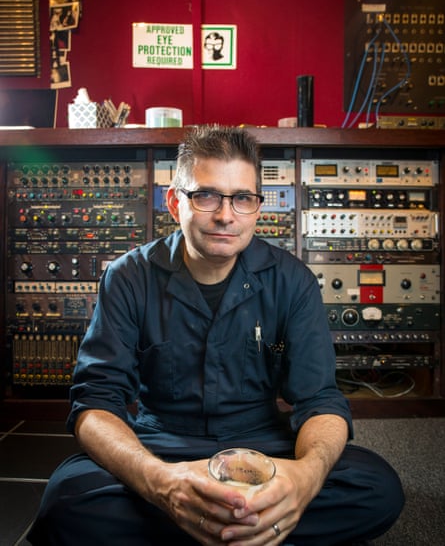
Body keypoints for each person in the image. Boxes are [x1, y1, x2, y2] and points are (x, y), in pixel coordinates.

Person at [28, 125, 404, 546]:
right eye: (206, 195)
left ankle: (207, 526)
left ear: (258, 207)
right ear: (175, 202)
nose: (226, 215)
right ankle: (254, 527)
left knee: (377, 489)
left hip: (264, 447)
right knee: (65, 502)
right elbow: (95, 404)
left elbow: (320, 399)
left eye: (242, 198)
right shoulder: (128, 277)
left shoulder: (293, 280)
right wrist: (161, 484)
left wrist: (303, 480)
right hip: (161, 446)